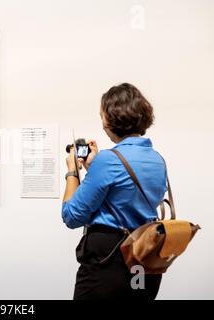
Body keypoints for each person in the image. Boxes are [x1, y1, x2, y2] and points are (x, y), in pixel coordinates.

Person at [62, 83, 167, 300]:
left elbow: (72, 216)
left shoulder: (108, 160)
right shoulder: (157, 159)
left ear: (111, 119)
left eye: (102, 116)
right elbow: (124, 196)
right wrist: (95, 168)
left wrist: (72, 171)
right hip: (144, 260)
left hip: (109, 262)